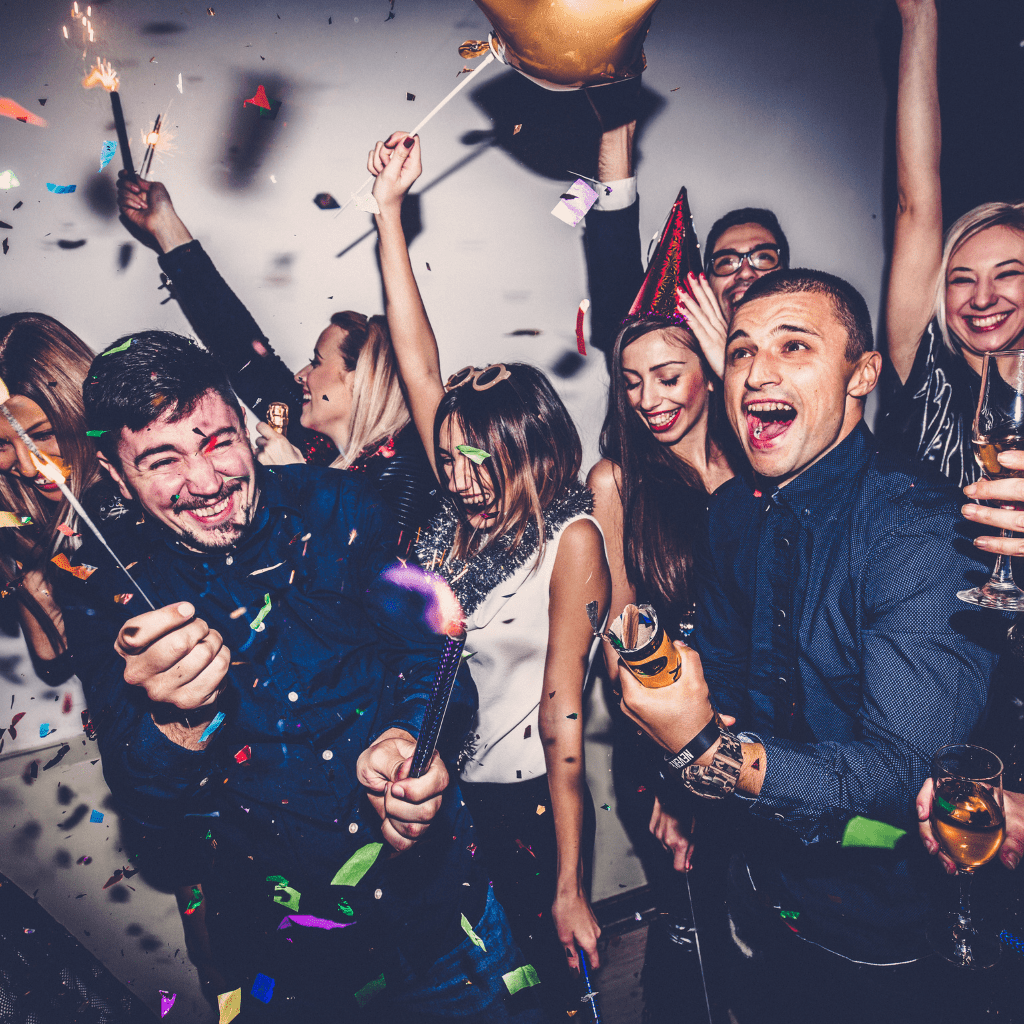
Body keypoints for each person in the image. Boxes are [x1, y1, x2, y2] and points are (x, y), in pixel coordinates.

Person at [55, 330, 543, 1023]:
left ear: (247, 428)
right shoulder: (104, 588)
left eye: (219, 442)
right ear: (113, 471)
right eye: (163, 460)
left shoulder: (342, 505)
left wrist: (412, 736)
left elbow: (432, 658)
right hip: (292, 967)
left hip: (440, 921)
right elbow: (153, 818)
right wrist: (180, 724)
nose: (206, 482)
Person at [614, 269, 1006, 1022]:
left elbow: (902, 772)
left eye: (794, 346)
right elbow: (725, 677)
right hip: (761, 888)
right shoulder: (732, 513)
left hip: (888, 924)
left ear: (862, 374)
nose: (759, 372)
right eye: (739, 352)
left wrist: (705, 752)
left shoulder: (919, 530)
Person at [368, 131, 611, 1021]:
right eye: (452, 459)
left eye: (481, 462)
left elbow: (563, 714)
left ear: (530, 454)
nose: (462, 478)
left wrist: (573, 881)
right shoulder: (455, 499)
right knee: (453, 982)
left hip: (522, 807)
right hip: (434, 790)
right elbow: (418, 359)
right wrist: (388, 214)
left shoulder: (569, 539)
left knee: (539, 985)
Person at [116, 174, 439, 553]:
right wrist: (164, 224)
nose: (302, 376)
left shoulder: (406, 471)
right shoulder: (314, 443)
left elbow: (368, 580)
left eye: (316, 362)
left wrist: (299, 480)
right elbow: (240, 348)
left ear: (361, 378)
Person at [880, 0, 1024, 487]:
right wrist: (918, 15)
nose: (982, 298)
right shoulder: (923, 367)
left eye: (1008, 274)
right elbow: (915, 202)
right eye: (961, 280)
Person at [583, 113, 790, 377]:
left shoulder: (816, 355)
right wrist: (616, 128)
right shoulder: (682, 358)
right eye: (726, 262)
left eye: (763, 257)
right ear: (704, 285)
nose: (745, 272)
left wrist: (730, 373)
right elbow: (615, 268)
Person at [0, 313, 106, 673]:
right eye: (2, 444)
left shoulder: (157, 489)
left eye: (43, 435)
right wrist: (36, 577)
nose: (28, 468)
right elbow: (53, 661)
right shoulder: (20, 518)